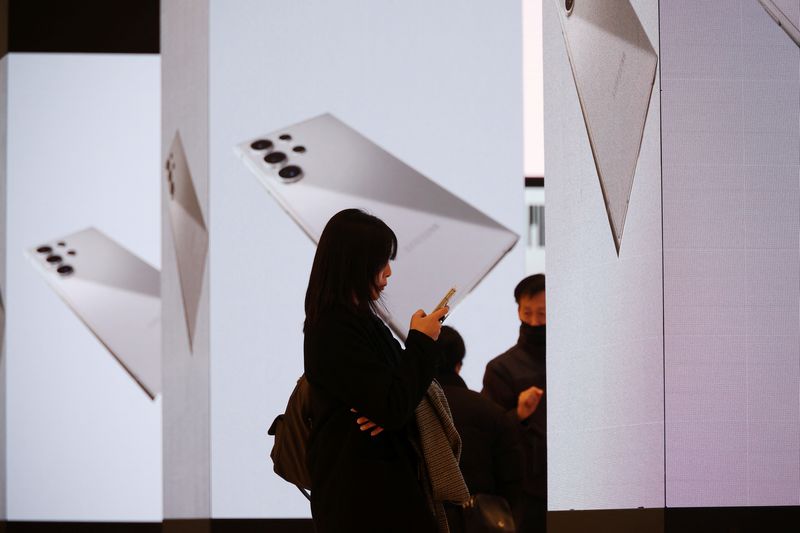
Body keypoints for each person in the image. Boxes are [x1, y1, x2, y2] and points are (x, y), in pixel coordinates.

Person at [303, 208, 452, 533]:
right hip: (362, 498)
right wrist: (421, 342)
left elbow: (392, 400)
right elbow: (394, 404)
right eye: (380, 262)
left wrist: (388, 406)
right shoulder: (333, 328)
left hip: (378, 489)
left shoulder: (358, 322)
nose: (388, 272)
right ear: (354, 265)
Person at [436, 326, 525, 533]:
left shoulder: (406, 413)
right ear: (459, 364)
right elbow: (512, 482)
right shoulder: (492, 412)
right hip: (481, 523)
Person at [482, 274, 547, 532]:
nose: (533, 321)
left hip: (580, 479)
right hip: (526, 489)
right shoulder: (501, 369)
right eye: (527, 312)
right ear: (518, 309)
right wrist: (519, 414)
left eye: (542, 313)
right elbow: (491, 433)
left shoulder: (574, 357)